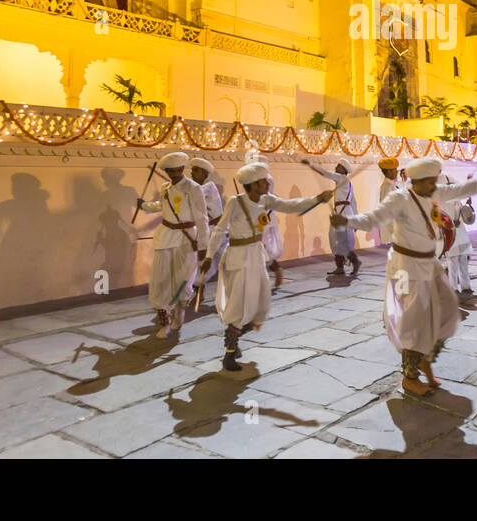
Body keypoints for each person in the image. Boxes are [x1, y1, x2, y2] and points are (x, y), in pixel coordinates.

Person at [332, 158, 477, 396]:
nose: (434, 185)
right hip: (405, 267)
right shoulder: (400, 199)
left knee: (442, 315)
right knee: (414, 320)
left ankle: (424, 361)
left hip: (429, 264)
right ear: (417, 181)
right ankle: (410, 376)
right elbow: (374, 218)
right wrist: (347, 220)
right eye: (429, 181)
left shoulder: (432, 193)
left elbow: (464, 189)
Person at [198, 162, 332, 371]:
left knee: (260, 305)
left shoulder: (267, 200)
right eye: (263, 181)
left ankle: (233, 336)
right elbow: (219, 230)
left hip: (256, 257)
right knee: (239, 306)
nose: (267, 183)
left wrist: (317, 199)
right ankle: (229, 354)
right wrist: (208, 255)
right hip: (237, 258)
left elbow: (291, 205)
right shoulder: (235, 203)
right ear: (252, 184)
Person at [137, 152, 208, 338]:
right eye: (171, 171)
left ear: (183, 169)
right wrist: (144, 206)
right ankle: (164, 323)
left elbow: (202, 218)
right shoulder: (165, 187)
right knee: (160, 281)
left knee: (183, 281)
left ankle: (180, 312)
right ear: (167, 171)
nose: (175, 174)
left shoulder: (193, 188)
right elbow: (162, 205)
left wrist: (203, 246)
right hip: (165, 236)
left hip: (187, 240)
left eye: (178, 170)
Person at [301, 158, 361, 275]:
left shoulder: (341, 178)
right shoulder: (346, 183)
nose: (336, 168)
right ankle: (340, 266)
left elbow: (325, 173)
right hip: (341, 212)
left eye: (338, 166)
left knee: (340, 240)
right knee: (336, 239)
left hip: (342, 213)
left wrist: (311, 164)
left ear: (343, 169)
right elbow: (354, 203)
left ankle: (354, 262)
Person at [438, 175, 477, 303]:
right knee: (452, 261)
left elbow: (464, 213)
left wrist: (467, 205)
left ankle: (466, 287)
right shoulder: (442, 202)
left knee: (463, 261)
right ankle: (453, 289)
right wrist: (450, 222)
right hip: (450, 234)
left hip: (461, 233)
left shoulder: (457, 201)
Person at [191, 158, 225, 291]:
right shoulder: (194, 188)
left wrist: (178, 187)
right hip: (206, 230)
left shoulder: (209, 187)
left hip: (218, 231)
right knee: (203, 262)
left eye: (195, 170)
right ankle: (199, 289)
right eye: (192, 170)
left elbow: (195, 193)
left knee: (222, 263)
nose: (192, 173)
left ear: (204, 174)